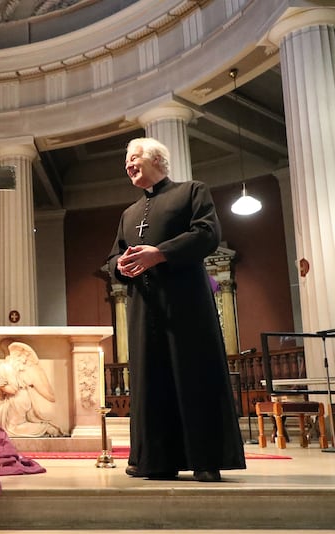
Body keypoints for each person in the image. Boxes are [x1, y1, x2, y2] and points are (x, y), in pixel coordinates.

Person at [107, 137, 245, 482]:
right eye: (126, 160)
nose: (128, 164)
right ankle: (156, 460)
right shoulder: (128, 213)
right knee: (151, 380)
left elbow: (207, 233)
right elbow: (112, 257)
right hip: (143, 308)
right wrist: (119, 267)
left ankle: (205, 459)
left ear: (157, 159)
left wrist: (160, 253)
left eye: (134, 157)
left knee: (192, 376)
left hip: (187, 306)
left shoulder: (191, 192)